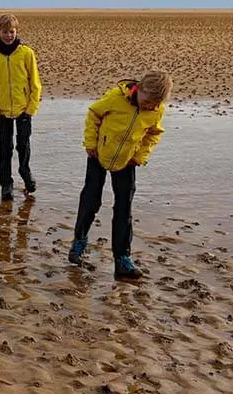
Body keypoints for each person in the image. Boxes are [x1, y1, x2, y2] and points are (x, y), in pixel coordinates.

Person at [68, 71, 173, 280]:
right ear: (139, 88)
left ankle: (122, 258)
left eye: (154, 104)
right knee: (91, 201)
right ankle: (79, 241)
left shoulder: (156, 110)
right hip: (98, 153)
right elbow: (93, 114)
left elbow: (153, 134)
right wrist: (90, 143)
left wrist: (140, 156)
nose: (149, 107)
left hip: (127, 160)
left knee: (124, 208)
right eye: (147, 101)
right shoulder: (116, 97)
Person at [0, 13, 42, 200]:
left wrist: (31, 108)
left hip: (23, 109)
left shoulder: (26, 53)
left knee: (23, 146)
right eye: (5, 32)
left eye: (11, 32)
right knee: (4, 149)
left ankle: (26, 175)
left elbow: (35, 83)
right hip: (2, 111)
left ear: (17, 32)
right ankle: (6, 184)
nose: (8, 35)